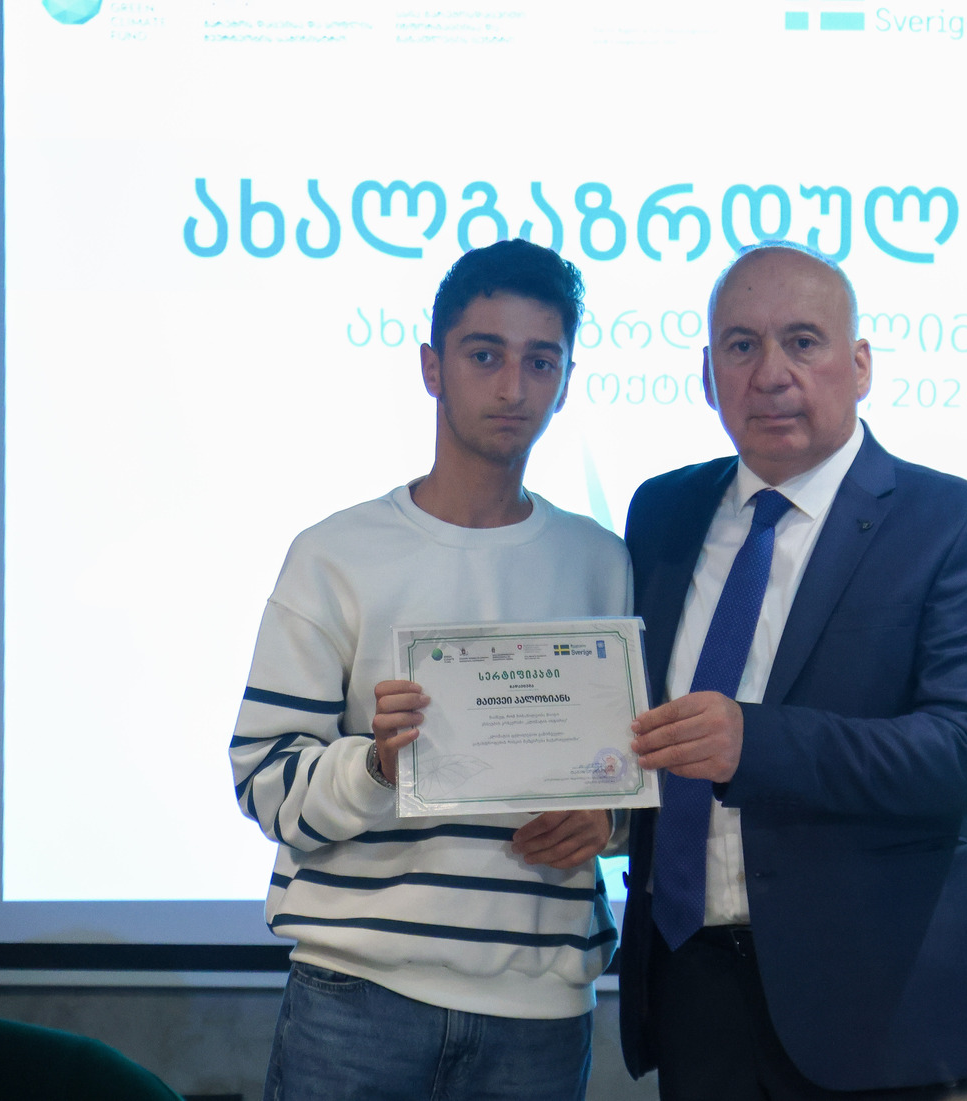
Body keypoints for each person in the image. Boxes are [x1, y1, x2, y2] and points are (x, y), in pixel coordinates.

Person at [618, 241, 967, 1099]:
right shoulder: (662, 511)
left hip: (873, 1005)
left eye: (802, 341)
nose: (771, 373)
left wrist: (753, 742)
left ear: (861, 364)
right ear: (707, 376)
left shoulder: (959, 525)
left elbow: (959, 755)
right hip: (693, 992)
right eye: (741, 345)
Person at [230, 238, 629, 1101]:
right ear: (431, 367)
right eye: (485, 355)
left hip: (539, 1005)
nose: (513, 386)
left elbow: (639, 780)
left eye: (541, 361)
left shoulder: (602, 561)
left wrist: (610, 819)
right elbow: (263, 782)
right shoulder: (335, 555)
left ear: (566, 380)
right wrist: (376, 764)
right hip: (357, 994)